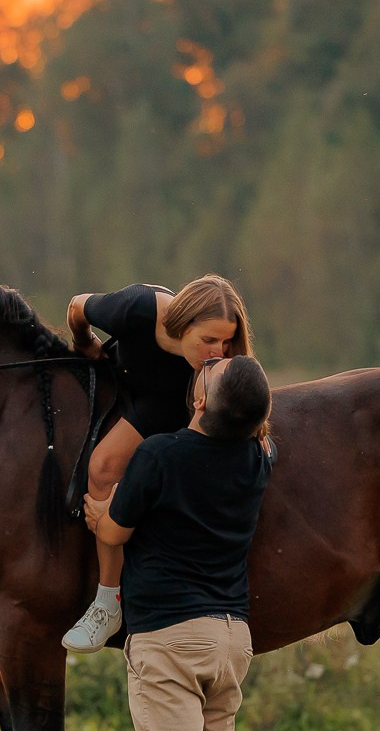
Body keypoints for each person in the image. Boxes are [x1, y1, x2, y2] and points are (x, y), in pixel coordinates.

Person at [87, 355, 275, 731]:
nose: (208, 363)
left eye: (212, 371)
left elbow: (114, 532)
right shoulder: (257, 459)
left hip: (169, 637)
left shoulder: (159, 455)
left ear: (199, 402)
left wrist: (98, 514)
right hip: (231, 637)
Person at [61, 276, 253, 653]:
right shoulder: (135, 308)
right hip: (136, 392)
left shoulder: (217, 364)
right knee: (102, 467)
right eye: (209, 340)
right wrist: (85, 343)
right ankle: (108, 602)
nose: (219, 353)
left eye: (226, 342)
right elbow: (76, 307)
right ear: (183, 323)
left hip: (185, 405)